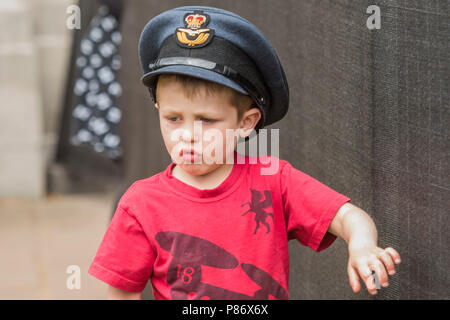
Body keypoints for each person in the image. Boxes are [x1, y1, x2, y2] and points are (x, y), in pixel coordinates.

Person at [88, 6, 401, 300]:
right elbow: (121, 291)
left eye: (206, 120)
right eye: (173, 118)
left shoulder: (275, 181)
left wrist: (362, 245)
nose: (187, 135)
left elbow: (347, 216)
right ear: (158, 110)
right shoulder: (139, 204)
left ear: (246, 122)